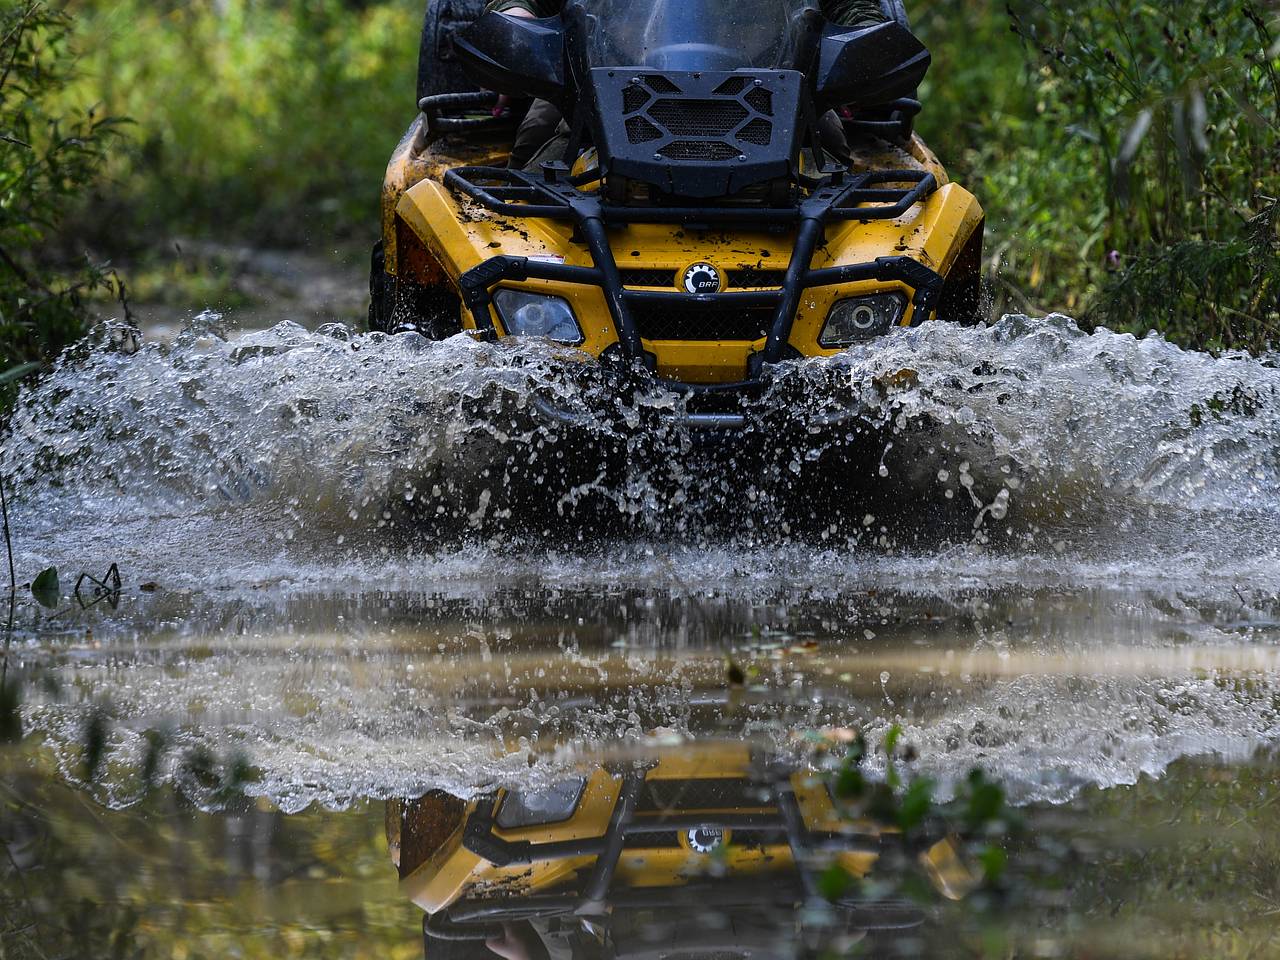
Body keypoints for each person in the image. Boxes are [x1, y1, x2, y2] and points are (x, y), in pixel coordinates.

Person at [486, 0, 889, 170]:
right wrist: (517, 24)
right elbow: (521, 2)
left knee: (831, 145)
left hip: (773, 87)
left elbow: (854, 8)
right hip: (607, 82)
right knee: (534, 144)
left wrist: (862, 39)